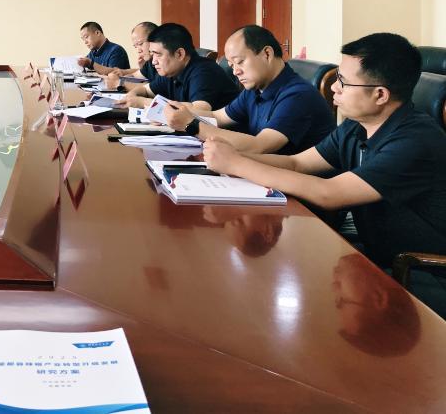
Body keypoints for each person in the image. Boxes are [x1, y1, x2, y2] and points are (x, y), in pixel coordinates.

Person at [203, 32, 446, 271]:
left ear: (380, 94)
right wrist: (232, 157)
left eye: (343, 82)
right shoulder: (356, 127)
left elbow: (329, 193)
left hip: (419, 271)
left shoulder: (415, 141)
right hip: (379, 256)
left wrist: (236, 164)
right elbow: (297, 163)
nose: (334, 87)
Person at [162, 24, 335, 154]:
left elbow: (259, 146)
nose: (235, 71)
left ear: (267, 54)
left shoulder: (297, 95)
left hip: (296, 187)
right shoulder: (254, 89)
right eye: (231, 65)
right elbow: (218, 116)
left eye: (240, 62)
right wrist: (179, 111)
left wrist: (191, 125)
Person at [116, 22, 240, 110]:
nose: (153, 62)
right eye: (152, 54)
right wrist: (131, 95)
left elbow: (200, 110)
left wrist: (143, 102)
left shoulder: (204, 71)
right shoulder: (172, 71)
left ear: (179, 54)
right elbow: (146, 90)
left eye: (158, 55)